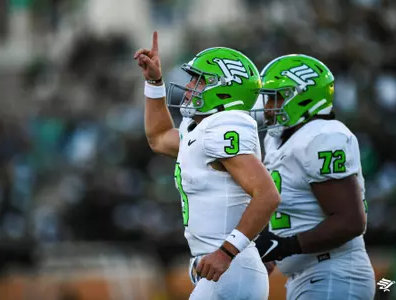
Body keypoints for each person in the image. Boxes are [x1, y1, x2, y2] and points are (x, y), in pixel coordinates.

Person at [134, 32, 280, 300]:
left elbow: (267, 195)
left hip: (231, 268)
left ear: (224, 88)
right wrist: (154, 82)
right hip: (224, 267)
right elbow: (159, 137)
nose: (189, 86)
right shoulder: (201, 130)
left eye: (198, 80)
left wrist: (226, 251)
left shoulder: (223, 128)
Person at [252, 54, 376, 300]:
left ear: (303, 95)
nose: (268, 108)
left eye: (276, 97)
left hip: (334, 273)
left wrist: (283, 246)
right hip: (309, 275)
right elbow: (298, 211)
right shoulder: (279, 140)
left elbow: (350, 221)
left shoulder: (322, 136)